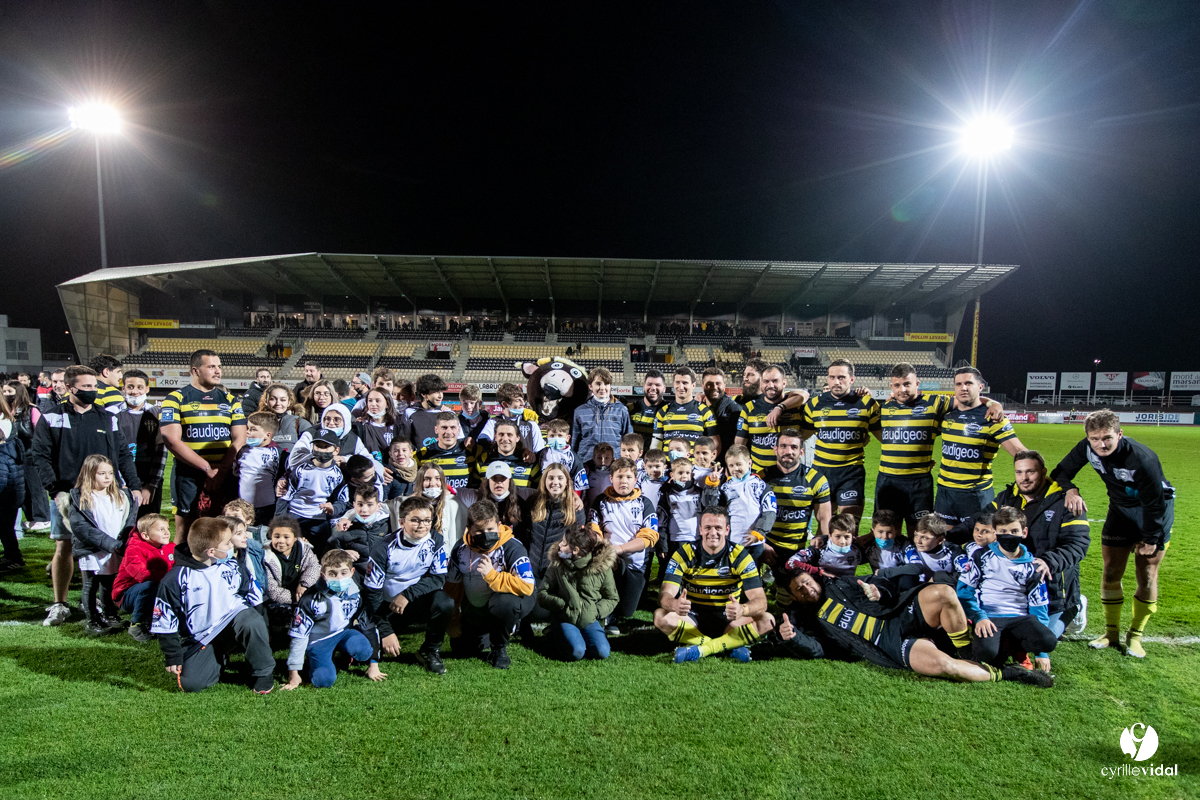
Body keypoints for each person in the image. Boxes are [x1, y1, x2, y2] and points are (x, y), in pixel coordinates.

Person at [772, 562, 1053, 686]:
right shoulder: (806, 620)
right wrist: (794, 638)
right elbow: (817, 649)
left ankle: (969, 652)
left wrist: (879, 591)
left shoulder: (841, 584)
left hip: (898, 615)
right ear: (795, 597)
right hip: (889, 643)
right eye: (799, 589)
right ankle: (1010, 674)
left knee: (944, 593)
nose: (806, 589)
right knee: (945, 667)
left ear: (814, 579)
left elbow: (881, 583)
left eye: (806, 582)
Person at [1050, 409, 1173, 658]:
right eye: (1094, 439)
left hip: (1152, 516)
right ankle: (1111, 634)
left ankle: (1135, 636)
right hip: (1119, 512)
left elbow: (1156, 504)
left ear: (1120, 434)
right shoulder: (1086, 448)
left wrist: (1151, 538)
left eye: (1107, 437)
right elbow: (1060, 473)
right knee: (1111, 572)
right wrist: (1071, 490)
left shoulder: (1142, 459)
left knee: (1147, 575)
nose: (1101, 444)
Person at [30, 365, 144, 626]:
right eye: (87, 386)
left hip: (106, 495)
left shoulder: (107, 418)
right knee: (64, 546)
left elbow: (123, 454)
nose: (93, 391)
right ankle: (60, 603)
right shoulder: (52, 417)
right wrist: (55, 491)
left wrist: (134, 485)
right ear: (70, 387)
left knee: (102, 548)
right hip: (68, 495)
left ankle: (100, 603)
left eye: (95, 386)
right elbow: (41, 456)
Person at [953, 449, 1090, 641]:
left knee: (1041, 640)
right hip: (1013, 582)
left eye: (1030, 472)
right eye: (1019, 472)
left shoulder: (1066, 501)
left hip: (1052, 589)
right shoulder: (1007, 498)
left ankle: (1075, 606)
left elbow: (1078, 544)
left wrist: (1048, 561)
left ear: (1043, 472)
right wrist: (945, 535)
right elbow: (978, 521)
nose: (1024, 478)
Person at [150, 517, 276, 693]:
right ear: (211, 551)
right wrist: (172, 655)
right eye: (227, 543)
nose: (231, 546)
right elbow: (164, 620)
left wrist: (263, 629)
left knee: (251, 621)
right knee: (191, 684)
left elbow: (254, 595)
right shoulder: (174, 580)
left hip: (235, 621)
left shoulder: (233, 565)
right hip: (202, 636)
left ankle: (263, 673)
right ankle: (218, 658)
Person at [654, 506, 773, 663]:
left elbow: (761, 600)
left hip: (729, 619)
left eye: (718, 528)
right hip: (693, 618)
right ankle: (727, 645)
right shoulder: (684, 553)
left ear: (727, 530)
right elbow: (665, 594)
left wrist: (742, 609)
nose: (712, 532)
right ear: (700, 530)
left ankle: (701, 649)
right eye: (708, 527)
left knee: (767, 620)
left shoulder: (740, 555)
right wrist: (674, 604)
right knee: (660, 616)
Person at [159, 349, 246, 545]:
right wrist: (206, 468)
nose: (218, 371)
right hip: (188, 474)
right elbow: (171, 440)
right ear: (195, 370)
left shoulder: (230, 400)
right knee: (186, 529)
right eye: (211, 367)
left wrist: (220, 471)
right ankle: (183, 563)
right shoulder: (175, 398)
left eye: (219, 367)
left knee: (225, 528)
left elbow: (240, 439)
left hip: (224, 473)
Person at [957, 507, 1058, 672]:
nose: (1009, 535)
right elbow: (964, 592)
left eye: (1014, 531)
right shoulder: (981, 556)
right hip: (990, 617)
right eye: (1003, 531)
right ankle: (1002, 644)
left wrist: (1041, 653)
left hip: (1020, 619)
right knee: (986, 654)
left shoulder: (1034, 566)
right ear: (995, 532)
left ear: (1024, 532)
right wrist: (979, 617)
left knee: (1048, 641)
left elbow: (1038, 605)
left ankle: (1011, 643)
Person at [440, 499, 536, 669]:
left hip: (510, 600)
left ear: (499, 525)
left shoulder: (512, 547)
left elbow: (527, 586)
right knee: (461, 648)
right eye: (479, 530)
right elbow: (452, 587)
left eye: (491, 529)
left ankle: (500, 648)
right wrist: (453, 620)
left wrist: (492, 576)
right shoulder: (460, 549)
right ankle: (493, 631)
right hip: (477, 605)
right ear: (469, 529)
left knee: (504, 604)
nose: (486, 535)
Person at [363, 496, 453, 674]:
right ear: (402, 522)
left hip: (415, 602)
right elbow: (372, 594)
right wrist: (386, 631)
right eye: (415, 520)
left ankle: (430, 650)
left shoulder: (436, 539)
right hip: (386, 608)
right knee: (364, 653)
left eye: (427, 520)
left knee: (445, 602)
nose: (422, 525)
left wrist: (407, 594)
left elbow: (438, 578)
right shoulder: (382, 548)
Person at [934, 367, 1027, 525]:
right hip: (945, 492)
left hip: (975, 494)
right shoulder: (946, 415)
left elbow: (1019, 452)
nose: (963, 388)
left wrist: (1039, 475)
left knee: (980, 537)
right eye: (959, 384)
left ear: (980, 387)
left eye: (969, 383)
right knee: (946, 538)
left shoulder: (992, 417)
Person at [283, 548, 385, 689]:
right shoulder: (310, 599)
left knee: (363, 650)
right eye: (332, 574)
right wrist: (293, 673)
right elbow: (299, 635)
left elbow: (368, 625)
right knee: (323, 681)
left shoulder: (356, 593)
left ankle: (346, 654)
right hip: (319, 640)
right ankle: (315, 661)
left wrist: (374, 664)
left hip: (344, 633)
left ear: (352, 572)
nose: (339, 578)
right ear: (323, 574)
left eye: (343, 573)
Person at [799, 359, 881, 530]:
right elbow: (800, 436)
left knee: (849, 527)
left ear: (852, 379)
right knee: (825, 527)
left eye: (841, 377)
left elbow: (886, 438)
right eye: (832, 377)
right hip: (821, 472)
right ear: (827, 379)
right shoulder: (814, 405)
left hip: (851, 473)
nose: (836, 382)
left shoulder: (867, 404)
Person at [66, 454, 138, 635]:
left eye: (110, 473)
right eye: (101, 473)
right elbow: (81, 528)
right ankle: (92, 620)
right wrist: (110, 544)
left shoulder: (121, 496)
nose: (107, 477)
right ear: (90, 474)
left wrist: (122, 543)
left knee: (109, 581)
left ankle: (109, 614)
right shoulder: (81, 497)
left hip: (114, 548)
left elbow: (129, 521)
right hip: (92, 549)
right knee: (90, 584)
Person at [587, 457, 659, 635]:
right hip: (610, 560)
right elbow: (593, 530)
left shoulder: (645, 503)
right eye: (619, 477)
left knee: (627, 611)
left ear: (635, 479)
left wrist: (619, 549)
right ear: (611, 478)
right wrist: (605, 550)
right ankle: (606, 614)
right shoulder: (600, 501)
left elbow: (649, 538)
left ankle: (613, 606)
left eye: (628, 477)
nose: (624, 481)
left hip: (635, 566)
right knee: (610, 562)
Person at [539, 524, 619, 661]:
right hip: (565, 617)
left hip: (589, 619)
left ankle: (577, 637)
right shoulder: (557, 564)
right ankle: (556, 633)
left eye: (564, 544)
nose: (559, 546)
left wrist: (596, 611)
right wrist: (560, 605)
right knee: (576, 652)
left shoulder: (602, 567)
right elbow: (542, 593)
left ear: (575, 550)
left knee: (602, 652)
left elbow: (612, 597)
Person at [760, 429, 831, 575]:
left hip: (796, 552)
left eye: (794, 447)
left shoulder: (816, 480)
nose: (788, 451)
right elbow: (747, 516)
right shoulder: (761, 478)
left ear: (801, 452)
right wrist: (760, 544)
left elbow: (824, 520)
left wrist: (816, 545)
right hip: (764, 546)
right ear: (775, 450)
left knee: (796, 589)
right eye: (783, 446)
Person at [275, 430, 346, 551]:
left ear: (336, 450)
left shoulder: (338, 475)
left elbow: (342, 500)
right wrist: (279, 522)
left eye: (326, 446)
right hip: (295, 515)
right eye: (318, 446)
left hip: (319, 519)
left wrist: (334, 508)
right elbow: (285, 496)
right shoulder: (300, 469)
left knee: (322, 552)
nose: (321, 450)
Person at [112, 512, 175, 642]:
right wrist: (170, 578)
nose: (167, 532)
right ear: (145, 535)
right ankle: (137, 624)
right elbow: (143, 575)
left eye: (167, 528)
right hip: (128, 594)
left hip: (157, 587)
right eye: (161, 529)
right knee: (150, 586)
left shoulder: (171, 548)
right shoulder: (134, 549)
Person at [734, 365, 808, 472]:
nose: (770, 385)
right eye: (766, 381)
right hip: (758, 473)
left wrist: (779, 407)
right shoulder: (749, 408)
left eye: (775, 381)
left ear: (784, 383)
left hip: (788, 473)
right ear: (761, 383)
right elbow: (739, 444)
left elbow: (804, 395)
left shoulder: (796, 405)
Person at [116, 370, 167, 521]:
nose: (135, 391)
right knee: (121, 526)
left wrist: (152, 485)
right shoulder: (112, 414)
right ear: (123, 388)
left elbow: (161, 452)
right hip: (120, 482)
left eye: (139, 387)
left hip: (148, 481)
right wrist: (120, 482)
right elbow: (110, 452)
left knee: (148, 525)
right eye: (130, 387)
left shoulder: (157, 414)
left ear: (147, 389)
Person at [713, 445, 775, 566]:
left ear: (749, 463)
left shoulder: (761, 485)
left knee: (753, 573)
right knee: (733, 572)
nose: (735, 468)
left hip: (755, 542)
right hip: (733, 541)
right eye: (731, 465)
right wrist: (712, 487)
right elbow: (714, 509)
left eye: (739, 464)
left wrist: (759, 532)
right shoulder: (725, 487)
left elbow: (769, 511)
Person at [4, 381, 50, 534]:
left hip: (31, 455)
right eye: (4, 392)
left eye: (9, 391)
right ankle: (30, 518)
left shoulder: (31, 410)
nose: (6, 394)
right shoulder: (6, 411)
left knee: (36, 488)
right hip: (15, 456)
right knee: (22, 489)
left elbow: (41, 433)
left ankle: (43, 518)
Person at [261, 515, 321, 626]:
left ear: (295, 538)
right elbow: (272, 589)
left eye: (286, 537)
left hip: (303, 592)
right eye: (276, 536)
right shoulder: (266, 556)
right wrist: (295, 598)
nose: (281, 541)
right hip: (282, 599)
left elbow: (313, 566)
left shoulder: (303, 548)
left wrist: (304, 585)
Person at [652, 367, 719, 455]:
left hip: (694, 463)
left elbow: (715, 443)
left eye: (685, 383)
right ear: (673, 384)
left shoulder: (705, 411)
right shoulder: (662, 412)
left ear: (693, 385)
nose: (681, 387)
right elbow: (656, 445)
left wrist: (707, 461)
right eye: (677, 382)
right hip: (668, 463)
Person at [571, 367, 633, 462]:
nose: (602, 388)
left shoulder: (621, 410)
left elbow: (628, 440)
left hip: (614, 463)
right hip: (586, 462)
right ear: (590, 386)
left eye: (606, 384)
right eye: (598, 384)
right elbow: (574, 442)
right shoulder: (580, 411)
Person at [234, 411, 285, 525]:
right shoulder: (243, 451)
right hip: (243, 506)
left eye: (253, 429)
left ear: (267, 435)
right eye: (248, 428)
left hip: (266, 507)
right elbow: (236, 474)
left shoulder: (278, 453)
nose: (248, 432)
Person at [785, 512, 863, 578]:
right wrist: (818, 571)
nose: (842, 542)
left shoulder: (857, 550)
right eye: (837, 536)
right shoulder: (819, 549)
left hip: (847, 589)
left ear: (853, 536)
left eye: (847, 537)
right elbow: (790, 562)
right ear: (830, 536)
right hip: (822, 588)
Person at [0, 393, 28, 571]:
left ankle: (13, 558)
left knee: (5, 525)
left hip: (7, 489)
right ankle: (12, 556)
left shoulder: (4, 422)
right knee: (5, 526)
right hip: (11, 487)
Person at [475, 418, 539, 493]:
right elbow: (474, 490)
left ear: (517, 438)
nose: (505, 439)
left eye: (509, 435)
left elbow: (538, 491)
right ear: (495, 437)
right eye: (501, 434)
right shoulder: (483, 460)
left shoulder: (528, 461)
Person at [477, 382, 545, 453]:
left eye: (523, 399)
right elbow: (483, 440)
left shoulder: (530, 423)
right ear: (505, 404)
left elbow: (539, 451)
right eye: (518, 400)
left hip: (525, 460)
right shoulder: (493, 422)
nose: (523, 403)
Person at [415, 411, 475, 491]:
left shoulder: (471, 450)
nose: (448, 432)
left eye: (453, 427)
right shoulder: (422, 454)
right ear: (436, 429)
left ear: (458, 430)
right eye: (444, 428)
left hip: (462, 498)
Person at [699, 368, 744, 466]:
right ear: (702, 386)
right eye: (709, 384)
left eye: (718, 383)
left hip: (725, 466)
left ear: (724, 385)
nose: (714, 387)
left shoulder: (736, 410)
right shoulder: (697, 408)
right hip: (701, 465)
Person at [256, 383, 311, 457]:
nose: (278, 403)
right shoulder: (256, 424)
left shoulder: (300, 423)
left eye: (283, 400)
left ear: (289, 402)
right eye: (273, 399)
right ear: (266, 401)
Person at [397, 374, 450, 449]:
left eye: (441, 391)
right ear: (424, 394)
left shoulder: (447, 413)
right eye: (436, 392)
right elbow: (404, 441)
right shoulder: (410, 412)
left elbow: (458, 441)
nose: (440, 396)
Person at [856, 508, 909, 573]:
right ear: (872, 531)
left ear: (896, 531)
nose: (885, 536)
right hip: (879, 579)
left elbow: (915, 567)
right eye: (880, 532)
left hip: (900, 578)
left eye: (889, 532)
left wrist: (883, 573)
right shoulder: (867, 546)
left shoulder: (904, 545)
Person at [354, 388, 398, 463]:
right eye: (370, 400)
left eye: (378, 401)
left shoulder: (396, 426)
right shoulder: (360, 426)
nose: (373, 404)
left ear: (387, 404)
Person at [627, 370, 668, 451]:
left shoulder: (669, 410)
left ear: (664, 388)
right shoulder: (630, 409)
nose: (653, 388)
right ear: (644, 387)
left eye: (657, 385)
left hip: (658, 458)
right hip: (635, 458)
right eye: (649, 384)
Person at [457, 384, 488, 450]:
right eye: (465, 403)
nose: (468, 407)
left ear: (480, 403)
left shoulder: (489, 423)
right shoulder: (456, 423)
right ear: (461, 403)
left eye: (472, 403)